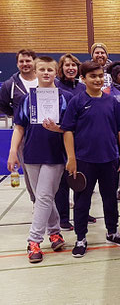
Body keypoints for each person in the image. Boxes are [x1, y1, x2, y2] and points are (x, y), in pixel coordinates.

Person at [61, 61, 120, 258]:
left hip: (109, 159)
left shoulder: (112, 102)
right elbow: (68, 131)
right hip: (84, 160)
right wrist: (71, 158)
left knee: (110, 198)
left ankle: (112, 232)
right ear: (83, 79)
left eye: (100, 76)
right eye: (93, 76)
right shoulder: (77, 101)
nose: (98, 79)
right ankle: (81, 238)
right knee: (82, 201)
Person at [7, 56, 72, 263]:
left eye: (50, 70)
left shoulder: (66, 97)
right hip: (31, 155)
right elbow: (19, 127)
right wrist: (12, 151)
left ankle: (33, 240)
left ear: (56, 73)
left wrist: (58, 129)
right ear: (35, 72)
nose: (46, 73)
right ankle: (54, 232)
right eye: (41, 69)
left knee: (43, 197)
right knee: (44, 197)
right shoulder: (27, 99)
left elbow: (71, 129)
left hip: (55, 155)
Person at [0, 49, 38, 203]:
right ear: (17, 64)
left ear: (34, 61)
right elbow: (3, 105)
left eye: (28, 60)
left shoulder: (46, 79)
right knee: (29, 170)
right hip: (25, 135)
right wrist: (18, 117)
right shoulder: (10, 84)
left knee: (55, 167)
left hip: (49, 132)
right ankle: (36, 200)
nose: (25, 64)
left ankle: (58, 198)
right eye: (21, 61)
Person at [54, 53, 87, 230]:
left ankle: (82, 212)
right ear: (61, 69)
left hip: (81, 140)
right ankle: (64, 217)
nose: (71, 68)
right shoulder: (56, 88)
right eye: (67, 65)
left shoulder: (83, 88)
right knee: (63, 181)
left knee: (80, 179)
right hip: (61, 140)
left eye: (74, 65)